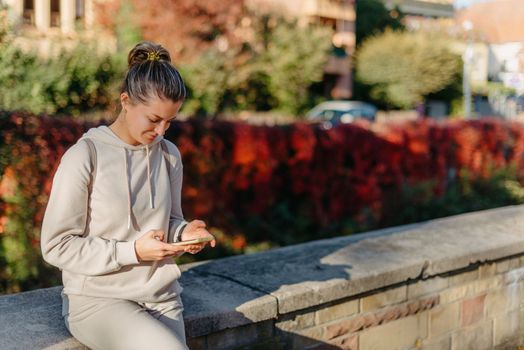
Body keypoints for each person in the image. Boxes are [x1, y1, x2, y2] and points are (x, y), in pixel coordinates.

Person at [40, 41, 215, 350]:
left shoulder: (169, 155)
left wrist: (185, 232)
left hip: (163, 297)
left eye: (169, 121)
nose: (161, 131)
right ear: (126, 101)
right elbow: (56, 246)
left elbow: (169, 220)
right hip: (99, 300)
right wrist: (132, 252)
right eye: (153, 119)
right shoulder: (85, 156)